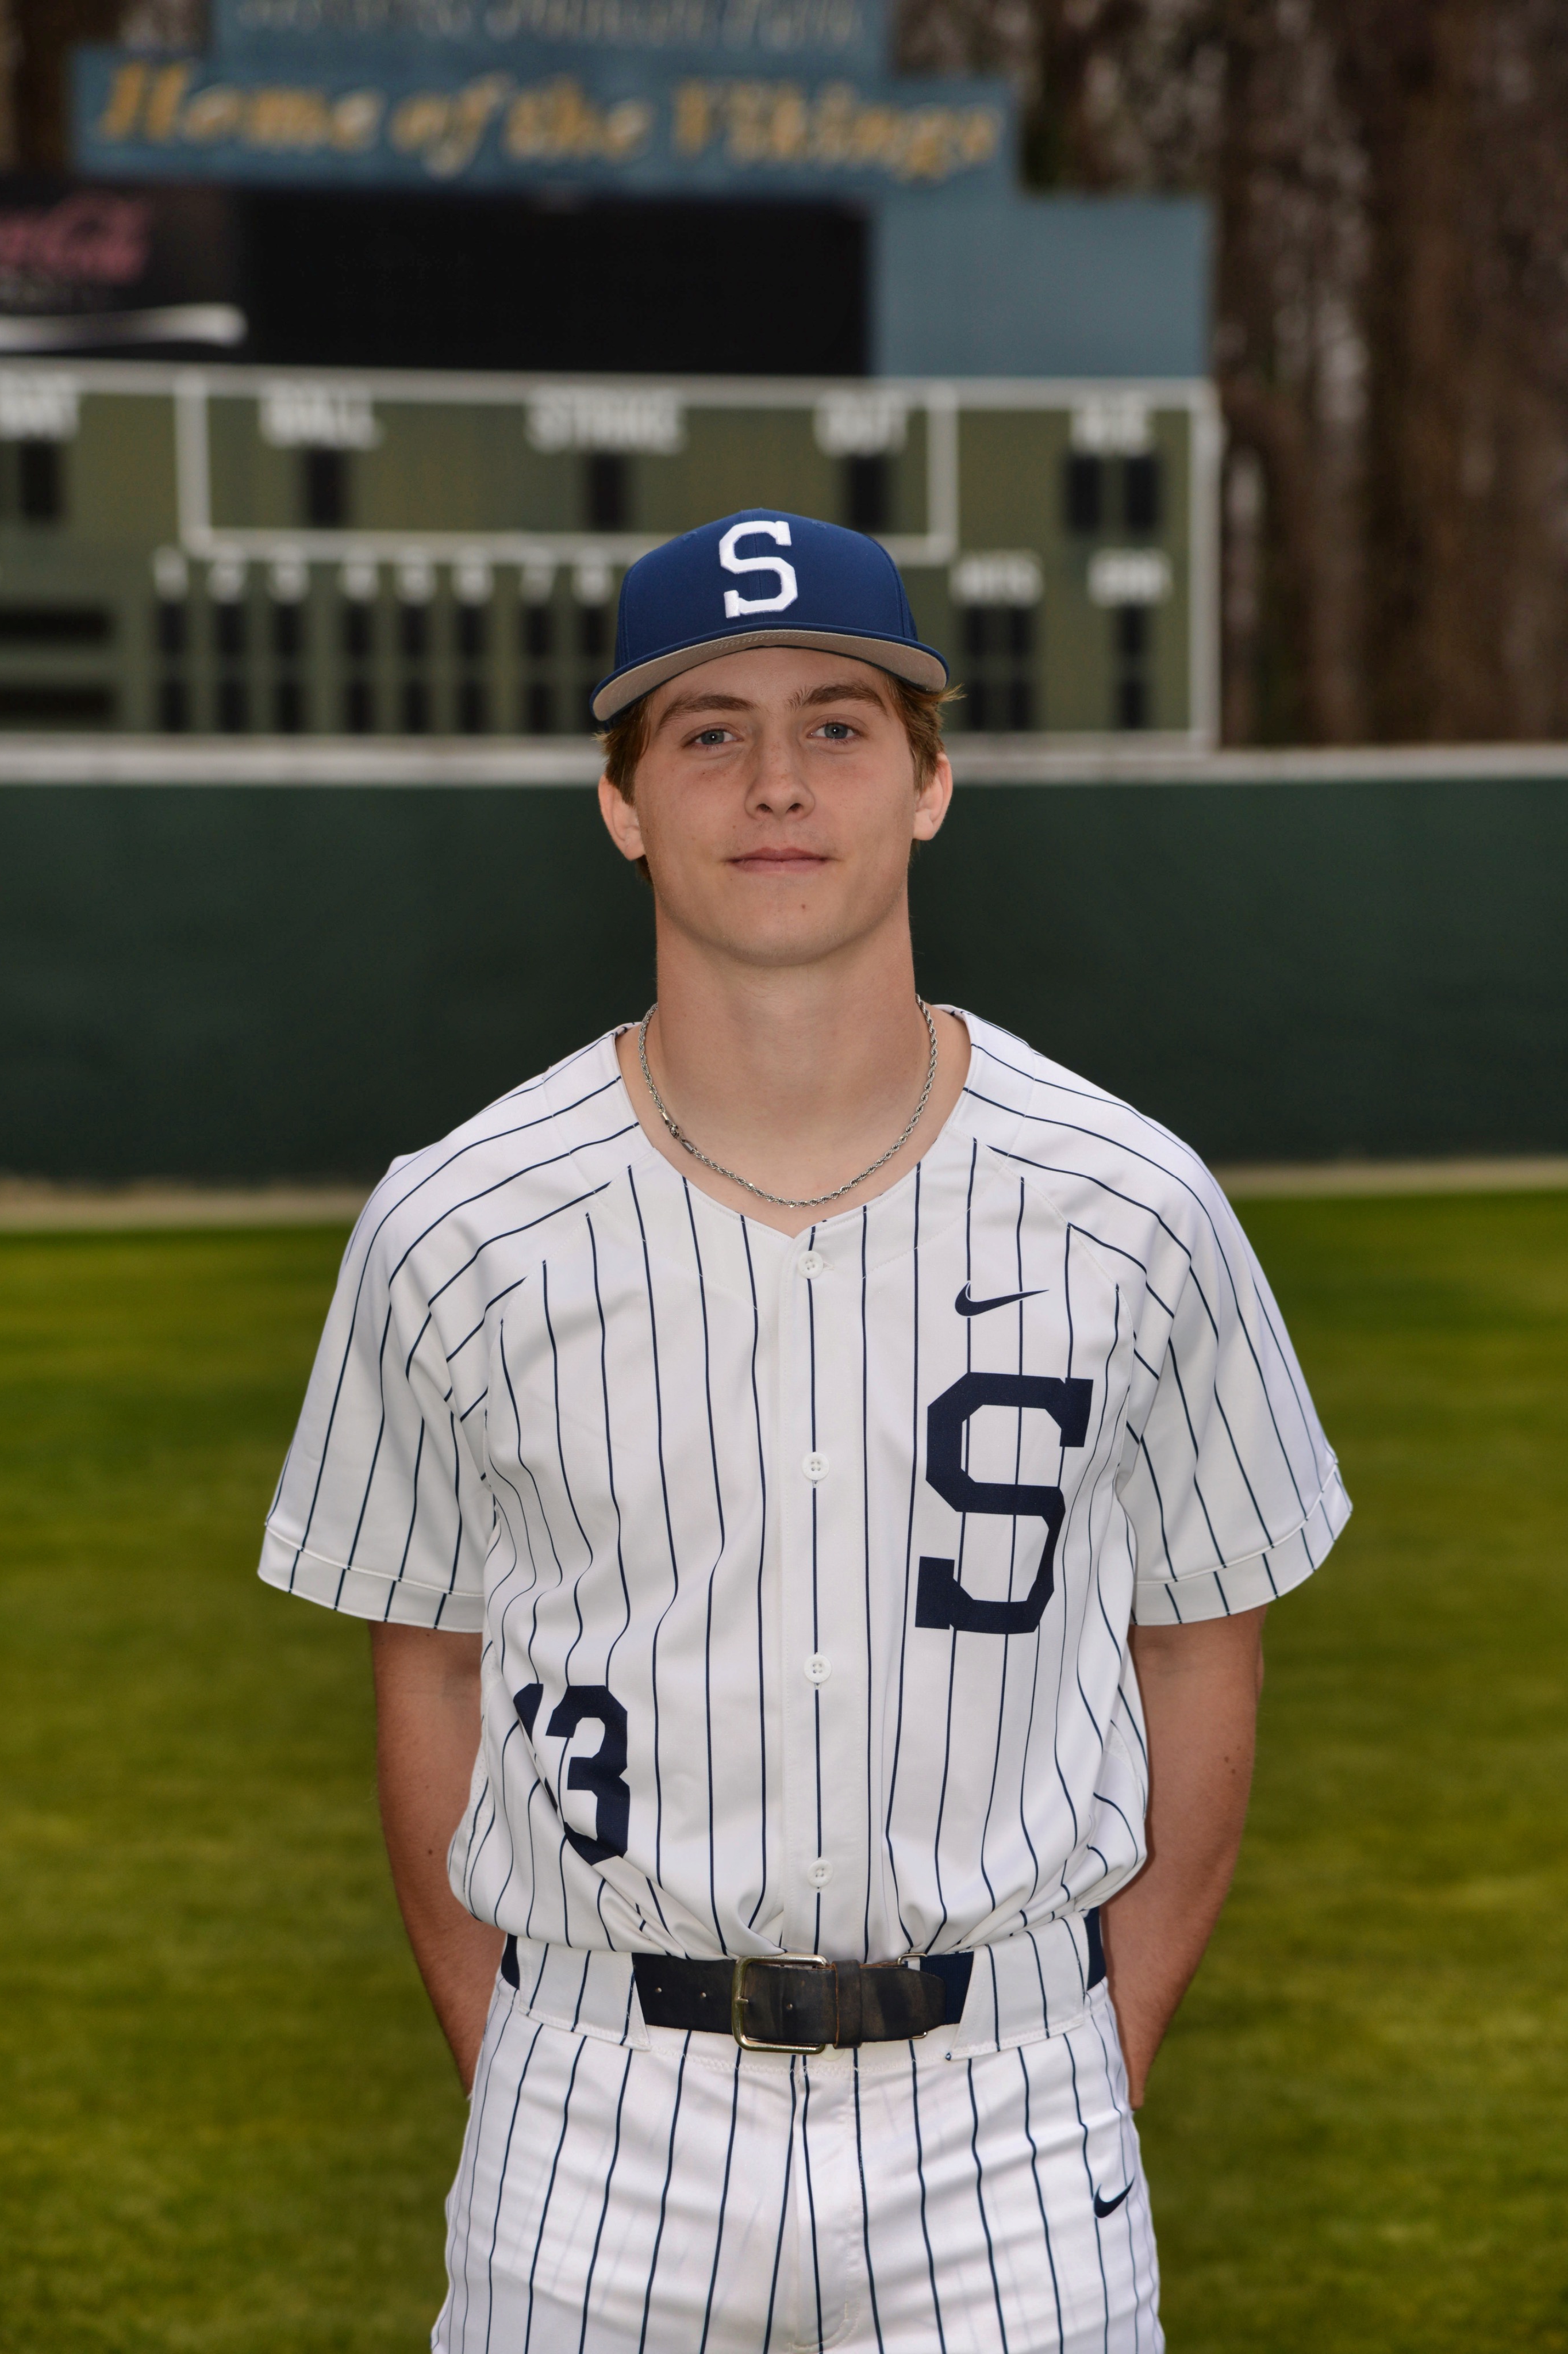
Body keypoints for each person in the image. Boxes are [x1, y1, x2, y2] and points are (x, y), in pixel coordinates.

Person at [260, 510, 1349, 2352]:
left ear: (931, 781)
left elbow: (1199, 1644)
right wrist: (523, 2062)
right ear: (623, 803)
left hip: (1010, 2110)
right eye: (709, 732)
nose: (777, 782)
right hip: (599, 2104)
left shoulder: (1136, 1202)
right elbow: (429, 1664)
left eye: (839, 725)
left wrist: (1101, 2048)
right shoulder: (456, 1220)